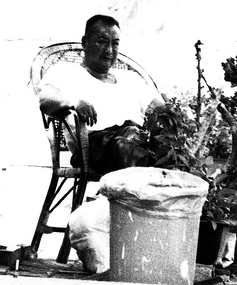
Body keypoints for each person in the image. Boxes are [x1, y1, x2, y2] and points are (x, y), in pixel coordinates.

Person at [37, 14, 164, 175]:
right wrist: (73, 103)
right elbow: (46, 101)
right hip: (94, 148)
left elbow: (161, 109)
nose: (109, 50)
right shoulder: (65, 71)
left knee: (168, 145)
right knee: (129, 141)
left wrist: (175, 116)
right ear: (85, 43)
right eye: (102, 41)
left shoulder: (131, 78)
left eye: (115, 43)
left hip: (137, 140)